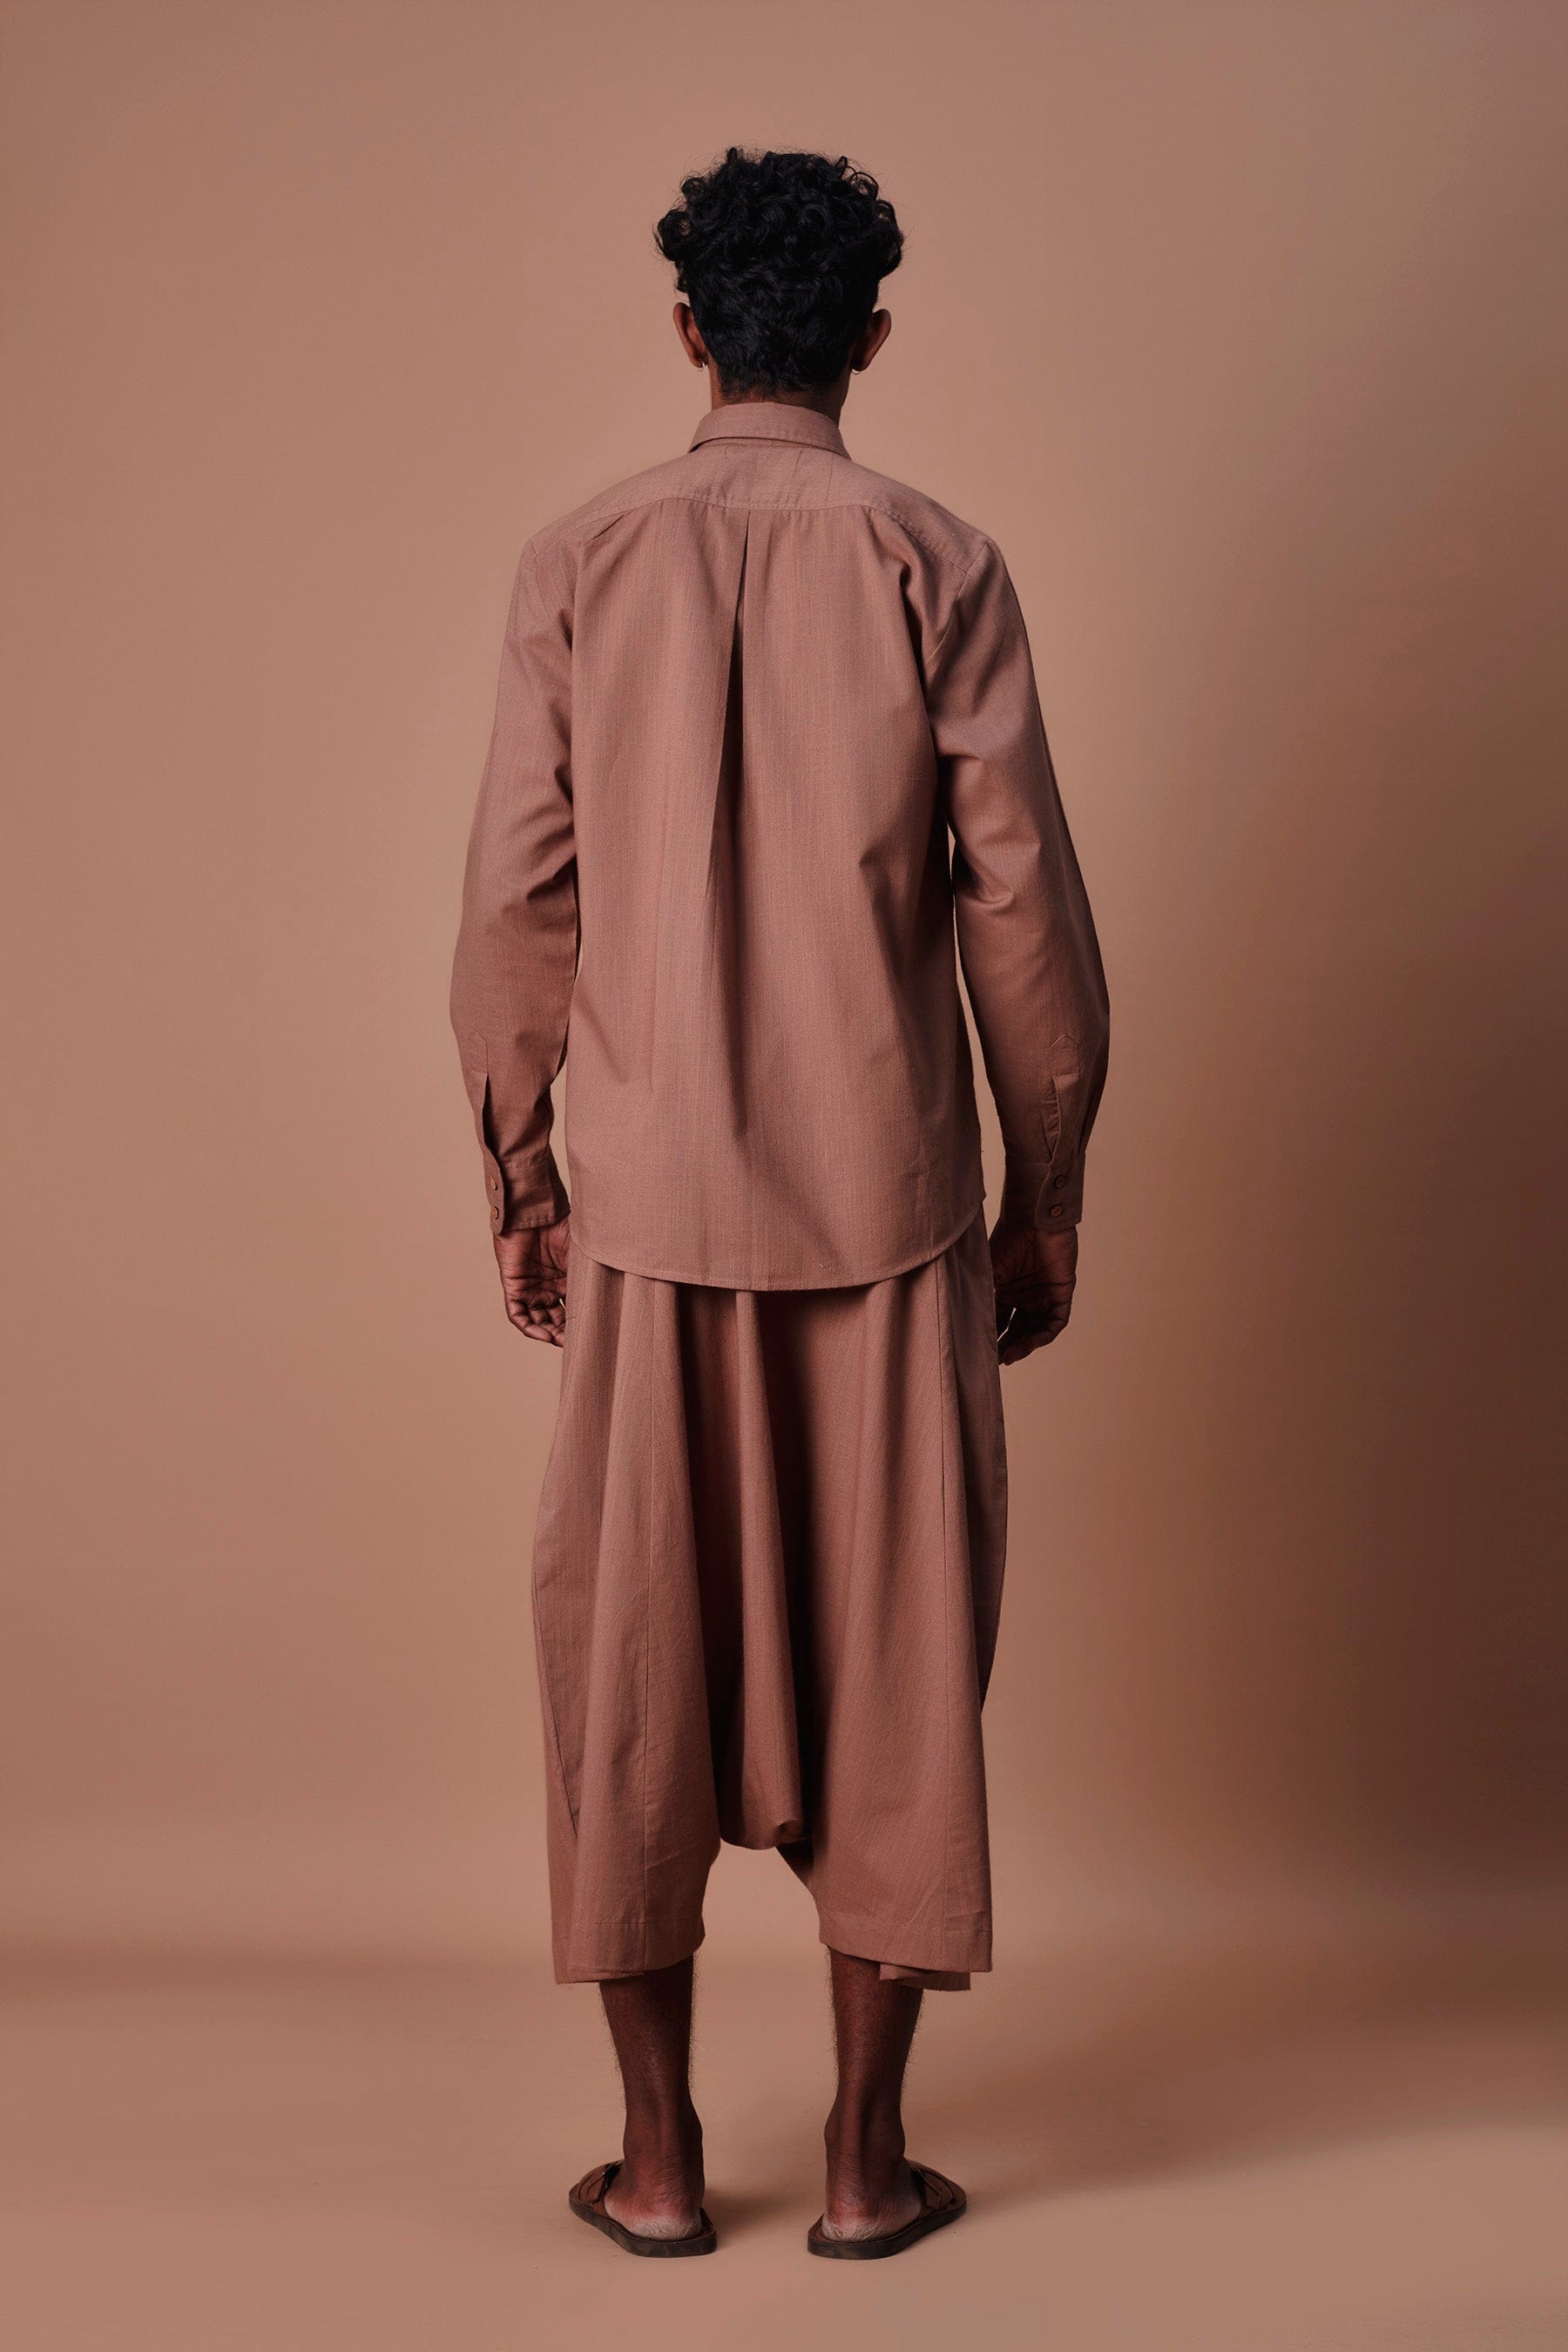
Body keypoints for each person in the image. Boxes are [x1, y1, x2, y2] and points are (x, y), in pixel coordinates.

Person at [450, 146, 1108, 2261]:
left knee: (630, 1671)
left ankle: (655, 2169)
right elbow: (1022, 911)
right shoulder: (942, 561)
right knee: (903, 1673)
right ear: (869, 338)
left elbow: (517, 899)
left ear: (689, 331)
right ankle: (861, 2167)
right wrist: (1046, 1189)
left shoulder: (580, 559)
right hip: (890, 1208)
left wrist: (521, 1169)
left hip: (649, 1216)